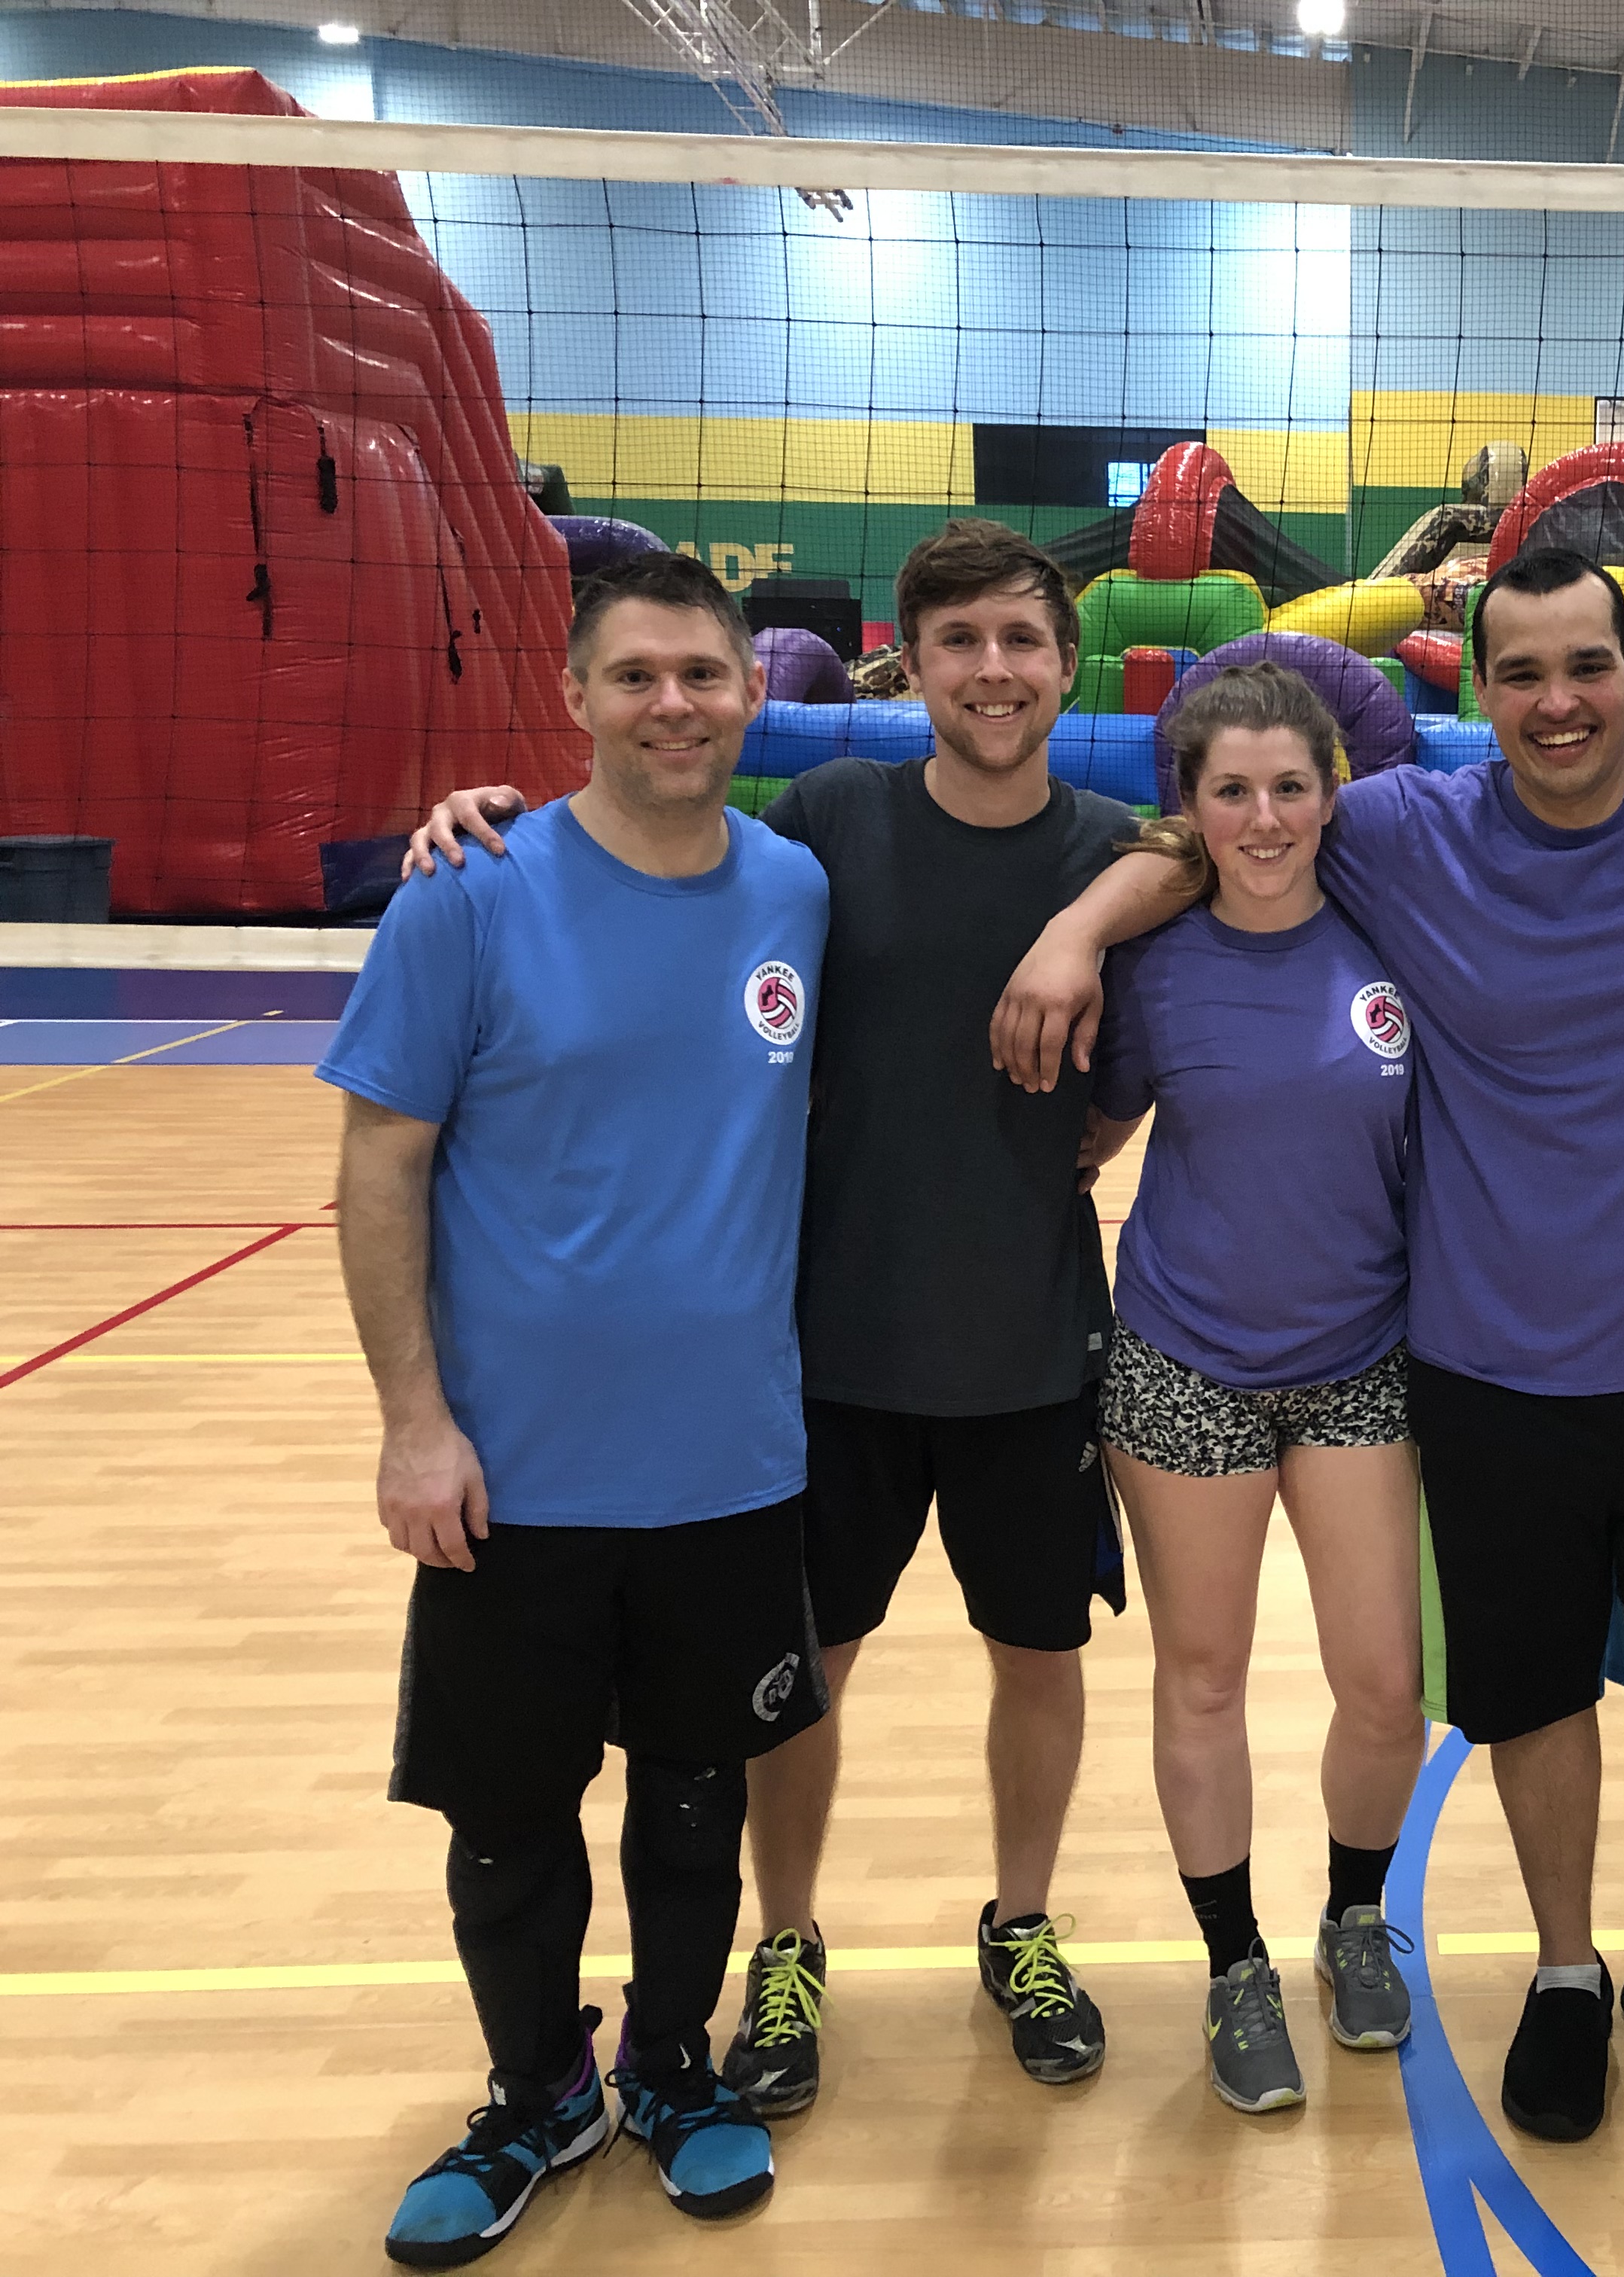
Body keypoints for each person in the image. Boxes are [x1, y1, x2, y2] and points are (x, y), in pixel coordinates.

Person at [994, 546, 1624, 2143]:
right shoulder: (1376, 849)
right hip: (1386, 1365)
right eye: (1521, 674)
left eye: (1585, 666)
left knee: (1588, 1694)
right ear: (1478, 690)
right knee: (1402, 1686)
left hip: (1595, 1354)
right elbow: (1189, 877)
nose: (1557, 699)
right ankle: (1465, 1971)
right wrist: (1077, 931)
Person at [401, 520, 1131, 2119]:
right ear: (907, 666)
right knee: (803, 1672)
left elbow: (1213, 855)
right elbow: (658, 846)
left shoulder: (1112, 850)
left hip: (1029, 1347)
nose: (992, 671)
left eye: (1022, 640)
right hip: (827, 1359)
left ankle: (1021, 1924)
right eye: (958, 642)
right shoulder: (829, 825)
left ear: (1069, 669)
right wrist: (491, 816)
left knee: (1041, 1655)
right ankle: (785, 1943)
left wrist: (1086, 929)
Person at [328, 550, 828, 2266]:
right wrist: (414, 1423)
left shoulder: (798, 889)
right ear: (574, 697)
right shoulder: (467, 892)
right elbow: (381, 1164)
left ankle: (673, 2070)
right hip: (513, 1474)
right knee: (509, 1821)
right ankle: (538, 2091)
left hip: (729, 1464)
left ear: (751, 691)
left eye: (702, 674)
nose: (672, 705)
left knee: (696, 1801)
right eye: (636, 676)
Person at [1075, 663, 1424, 2113]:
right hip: (1186, 1363)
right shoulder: (1154, 963)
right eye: (1234, 791)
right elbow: (1089, 1141)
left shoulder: (1399, 935)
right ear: (1193, 808)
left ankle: (1354, 1918)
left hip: (1361, 1362)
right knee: (1204, 1677)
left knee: (1385, 1686)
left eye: (1291, 787)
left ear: (1334, 795)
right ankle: (1234, 1967)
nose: (1266, 817)